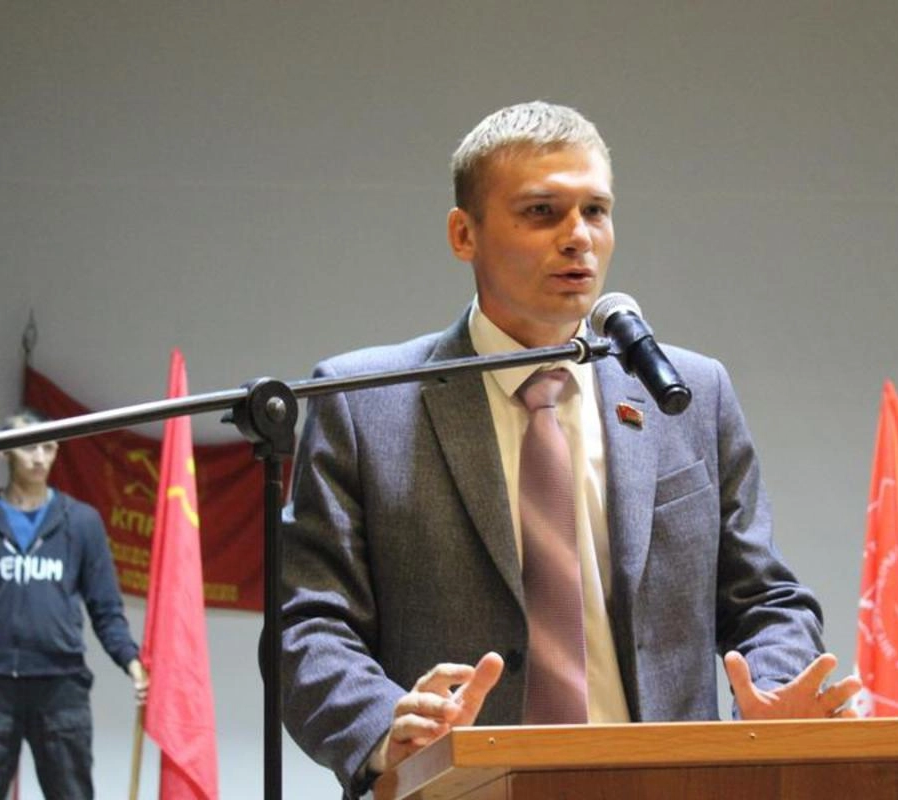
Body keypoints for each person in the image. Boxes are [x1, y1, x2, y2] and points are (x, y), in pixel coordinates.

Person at [281, 101, 860, 799]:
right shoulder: (362, 402)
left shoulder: (690, 393)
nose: (578, 237)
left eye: (595, 211)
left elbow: (765, 598)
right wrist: (387, 727)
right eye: (541, 212)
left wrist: (771, 694)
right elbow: (309, 628)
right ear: (464, 234)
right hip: (460, 788)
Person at [0, 409, 148, 799]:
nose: (40, 457)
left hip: (61, 687)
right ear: (3, 451)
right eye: (29, 447)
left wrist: (131, 660)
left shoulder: (81, 523)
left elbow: (106, 608)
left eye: (49, 447)